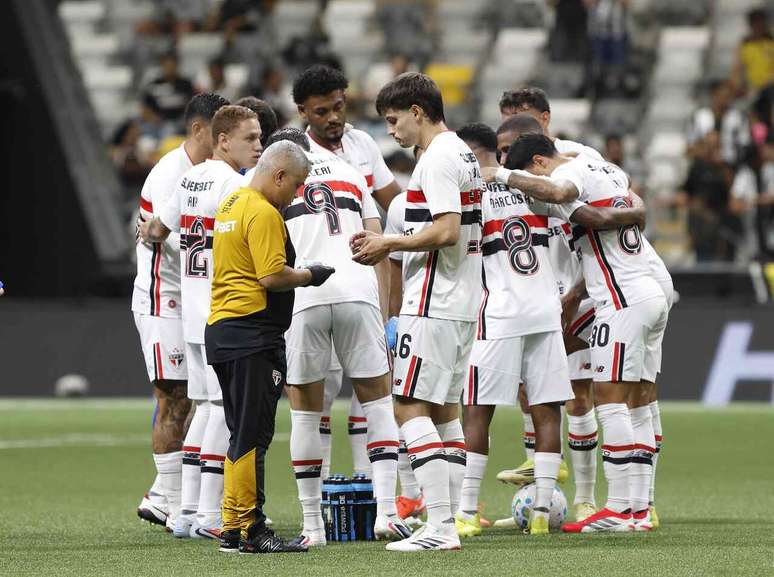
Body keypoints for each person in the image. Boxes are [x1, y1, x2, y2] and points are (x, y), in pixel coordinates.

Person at [487, 134, 669, 533]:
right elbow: (606, 215)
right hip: (648, 292)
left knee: (610, 402)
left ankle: (618, 509)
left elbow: (558, 192)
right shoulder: (608, 171)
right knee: (637, 404)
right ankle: (640, 510)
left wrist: (500, 175)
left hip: (622, 301)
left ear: (539, 162)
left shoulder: (570, 172)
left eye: (530, 174)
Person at [251, 128, 409, 546]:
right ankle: (387, 513)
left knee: (306, 414)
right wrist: (384, 311)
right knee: (378, 404)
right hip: (358, 291)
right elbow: (378, 245)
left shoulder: (273, 182)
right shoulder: (350, 172)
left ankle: (312, 526)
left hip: (305, 295)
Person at [351, 72, 483, 552]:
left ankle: (441, 526)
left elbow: (446, 231)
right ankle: (447, 520)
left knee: (407, 405)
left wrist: (389, 242)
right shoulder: (463, 153)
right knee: (445, 413)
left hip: (434, 301)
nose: (391, 131)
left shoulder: (438, 159)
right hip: (462, 300)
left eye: (394, 120)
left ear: (417, 112)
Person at [205, 141, 334, 554]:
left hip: (224, 329)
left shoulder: (231, 204)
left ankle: (232, 526)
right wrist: (310, 275)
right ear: (279, 175)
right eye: (295, 185)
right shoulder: (262, 212)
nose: (295, 195)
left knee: (240, 432)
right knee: (253, 435)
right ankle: (251, 529)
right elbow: (272, 276)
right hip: (252, 334)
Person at [140, 105, 262, 538]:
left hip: (190, 313)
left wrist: (148, 232)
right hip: (221, 309)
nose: (258, 146)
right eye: (250, 138)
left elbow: (158, 229)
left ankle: (187, 512)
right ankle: (209, 515)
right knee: (221, 411)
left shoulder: (190, 179)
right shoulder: (235, 184)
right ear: (222, 140)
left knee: (205, 408)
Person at [292, 64, 401, 477]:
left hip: (361, 283)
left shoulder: (362, 144)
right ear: (303, 112)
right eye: (321, 112)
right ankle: (321, 492)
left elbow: (396, 205)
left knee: (369, 390)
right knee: (320, 396)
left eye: (338, 106)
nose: (333, 117)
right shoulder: (292, 152)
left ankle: (366, 483)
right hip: (314, 286)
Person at [133, 92, 229, 530]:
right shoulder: (171, 173)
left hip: (192, 296)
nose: (225, 140)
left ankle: (165, 495)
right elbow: (171, 239)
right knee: (174, 396)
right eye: (218, 132)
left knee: (198, 399)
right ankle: (172, 500)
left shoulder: (212, 173)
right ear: (198, 129)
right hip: (163, 297)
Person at [141, 52, 196, 128]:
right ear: (162, 65)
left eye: (172, 65)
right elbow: (145, 108)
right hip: (158, 123)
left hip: (180, 122)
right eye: (167, 65)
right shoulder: (154, 85)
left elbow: (192, 105)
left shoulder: (186, 84)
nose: (170, 68)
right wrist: (153, 118)